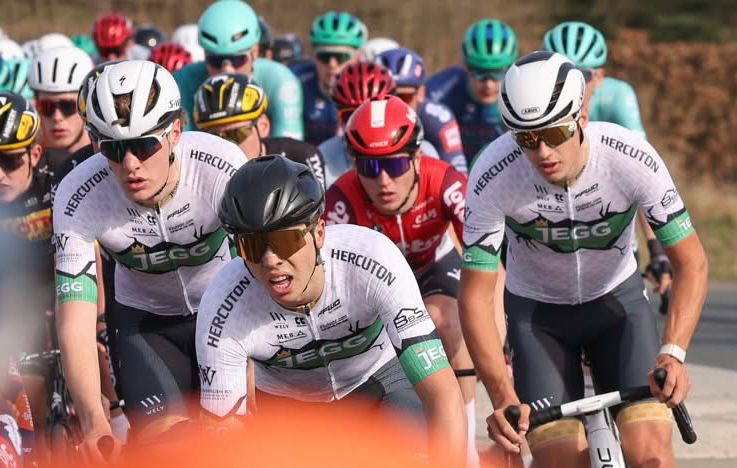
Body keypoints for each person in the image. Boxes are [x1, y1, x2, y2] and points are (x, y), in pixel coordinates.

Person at [459, 51, 708, 468]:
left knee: (650, 454)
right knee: (560, 460)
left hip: (618, 307)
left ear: (582, 117)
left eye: (555, 133)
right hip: (539, 320)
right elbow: (475, 297)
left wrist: (673, 352)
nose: (542, 151)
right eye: (526, 139)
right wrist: (502, 394)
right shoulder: (493, 174)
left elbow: (691, 262)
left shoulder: (629, 157)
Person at [196, 155, 467, 462]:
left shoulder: (372, 261)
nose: (271, 260)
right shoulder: (223, 304)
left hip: (377, 383)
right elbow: (223, 438)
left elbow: (443, 394)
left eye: (286, 241)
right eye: (252, 246)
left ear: (319, 233)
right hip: (290, 410)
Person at [52, 60, 247, 461]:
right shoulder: (78, 194)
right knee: (164, 452)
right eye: (112, 148)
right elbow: (75, 320)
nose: (130, 164)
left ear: (175, 131)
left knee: (236, 445)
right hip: (146, 326)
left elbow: (259, 282)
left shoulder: (221, 167)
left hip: (228, 320)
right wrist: (94, 422)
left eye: (143, 146)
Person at [324, 96, 484, 465]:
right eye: (369, 166)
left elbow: (488, 268)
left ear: (416, 158)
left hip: (432, 267)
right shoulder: (340, 201)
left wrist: (498, 339)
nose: (383, 180)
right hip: (373, 285)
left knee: (444, 320)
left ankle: (467, 447)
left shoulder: (445, 181)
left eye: (395, 164)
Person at [542, 20, 673, 298]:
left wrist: (657, 248)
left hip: (607, 217)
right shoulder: (532, 99)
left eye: (580, 75)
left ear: (599, 76)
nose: (570, 84)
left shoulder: (617, 97)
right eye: (561, 73)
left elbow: (642, 176)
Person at [174, 0, 303, 139]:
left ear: (255, 52)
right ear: (205, 56)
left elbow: (290, 147)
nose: (227, 70)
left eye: (238, 60)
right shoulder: (181, 82)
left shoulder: (280, 80)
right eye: (216, 61)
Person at [193, 73, 325, 187]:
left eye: (236, 134)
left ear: (263, 126)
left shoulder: (301, 156)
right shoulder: (197, 170)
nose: (226, 145)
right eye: (214, 137)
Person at [426, 19, 518, 166]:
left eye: (498, 73)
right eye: (480, 73)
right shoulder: (445, 87)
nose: (488, 84)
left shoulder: (520, 93)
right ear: (466, 67)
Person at [377, 47, 467, 173]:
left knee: (427, 150)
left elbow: (459, 175)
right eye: (385, 98)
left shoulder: (439, 118)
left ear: (421, 93)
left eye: (404, 97)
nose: (394, 106)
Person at [289, 10, 367, 145]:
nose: (332, 64)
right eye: (324, 56)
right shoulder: (295, 81)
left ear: (358, 56)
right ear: (313, 56)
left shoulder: (372, 87)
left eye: (341, 57)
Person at [28, 46, 94, 162]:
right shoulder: (27, 157)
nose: (57, 117)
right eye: (46, 107)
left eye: (67, 106)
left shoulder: (106, 155)